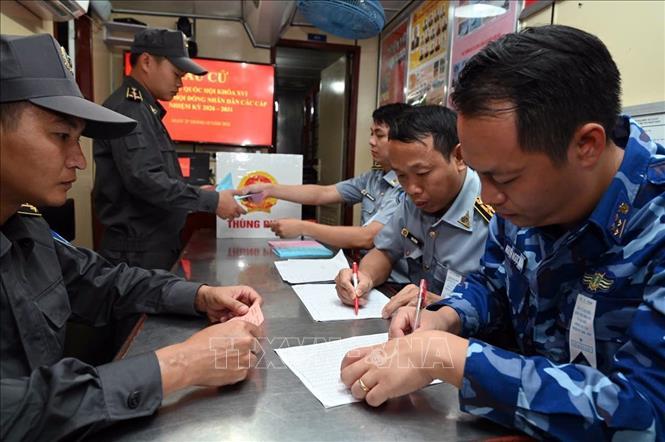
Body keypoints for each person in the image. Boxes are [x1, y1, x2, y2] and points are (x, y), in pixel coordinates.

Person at [339, 25, 664, 439]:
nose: (488, 198)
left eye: (504, 178)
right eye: (481, 175)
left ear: (586, 145)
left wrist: (450, 358)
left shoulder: (653, 223)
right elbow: (494, 284)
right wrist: (446, 318)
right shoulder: (522, 204)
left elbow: (647, 414)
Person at [0, 33, 262, 441]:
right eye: (61, 136)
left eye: (78, 139)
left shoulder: (24, 226)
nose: (79, 159)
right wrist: (181, 365)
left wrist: (200, 295)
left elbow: (104, 281)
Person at [93, 28, 245, 271]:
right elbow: (145, 180)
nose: (180, 84)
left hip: (151, 247)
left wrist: (197, 192)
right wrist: (211, 200)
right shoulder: (130, 109)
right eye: (176, 74)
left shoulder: (144, 109)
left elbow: (153, 175)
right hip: (137, 255)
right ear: (146, 62)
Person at [335, 105, 492, 318]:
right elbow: (385, 251)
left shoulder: (494, 211)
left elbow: (505, 305)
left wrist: (447, 306)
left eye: (422, 173)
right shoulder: (411, 202)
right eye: (401, 175)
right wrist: (364, 278)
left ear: (459, 157)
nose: (411, 188)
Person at [242, 103, 411, 282]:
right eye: (371, 133)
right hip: (364, 274)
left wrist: (303, 228)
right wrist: (269, 189)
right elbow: (323, 193)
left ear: (400, 139)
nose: (371, 141)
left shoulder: (406, 186)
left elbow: (368, 237)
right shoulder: (372, 178)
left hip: (394, 284)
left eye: (379, 135)